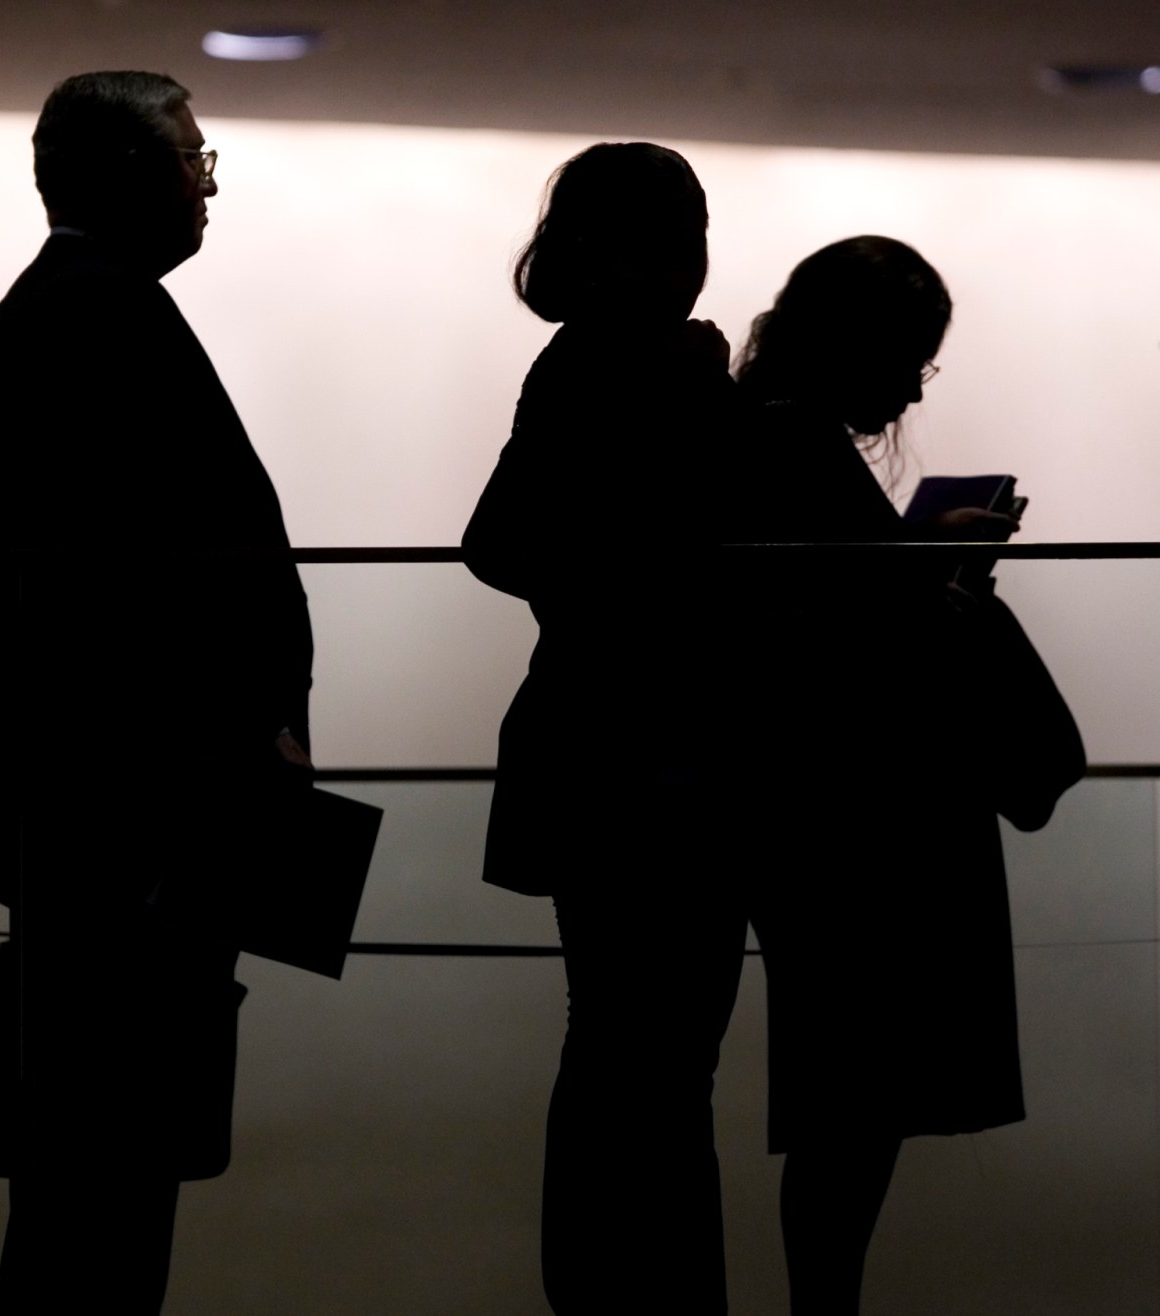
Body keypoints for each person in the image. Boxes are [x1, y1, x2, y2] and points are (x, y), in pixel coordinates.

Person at [0, 71, 312, 1314]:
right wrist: (232, 748)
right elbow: (142, 596)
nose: (206, 187)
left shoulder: (65, 311)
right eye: (193, 160)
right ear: (122, 171)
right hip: (133, 817)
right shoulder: (98, 316)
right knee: (103, 1177)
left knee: (88, 1175)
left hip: (106, 808)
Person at [729, 236, 1081, 1314]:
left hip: (821, 814)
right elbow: (837, 634)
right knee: (854, 1115)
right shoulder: (791, 445)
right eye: (911, 358)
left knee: (845, 1111)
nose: (912, 385)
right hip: (861, 826)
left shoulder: (756, 437)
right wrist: (927, 572)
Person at [462, 141, 742, 1313]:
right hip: (664, 755)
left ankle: (603, 1290)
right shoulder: (654, 366)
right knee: (661, 1063)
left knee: (618, 1049)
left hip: (590, 744)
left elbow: (498, 542)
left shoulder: (569, 362)